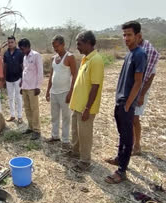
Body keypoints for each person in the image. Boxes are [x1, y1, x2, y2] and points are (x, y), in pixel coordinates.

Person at [105, 21, 147, 184]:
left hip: (126, 103)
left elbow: (138, 81)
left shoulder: (139, 54)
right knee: (122, 133)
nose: (126, 38)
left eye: (129, 35)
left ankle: (122, 170)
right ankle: (120, 158)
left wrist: (129, 104)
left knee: (127, 135)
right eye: (124, 35)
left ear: (138, 36)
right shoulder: (130, 54)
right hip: (120, 100)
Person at [67, 31, 104, 171]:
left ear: (88, 43)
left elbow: (95, 86)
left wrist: (87, 108)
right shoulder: (86, 59)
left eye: (79, 44)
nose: (77, 47)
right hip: (77, 105)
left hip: (85, 107)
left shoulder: (96, 60)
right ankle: (76, 152)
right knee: (76, 132)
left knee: (85, 134)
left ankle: (85, 161)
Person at [45, 35, 77, 145]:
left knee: (66, 117)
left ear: (63, 44)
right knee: (54, 116)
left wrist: (71, 92)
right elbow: (51, 75)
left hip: (65, 92)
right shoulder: (53, 58)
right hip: (54, 92)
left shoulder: (69, 57)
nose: (55, 48)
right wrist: (48, 90)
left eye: (57, 46)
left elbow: (74, 75)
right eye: (54, 46)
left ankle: (66, 139)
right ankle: (55, 136)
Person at [132, 34, 159, 155]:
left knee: (135, 118)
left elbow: (151, 75)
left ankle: (137, 145)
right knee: (129, 117)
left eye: (130, 35)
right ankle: (130, 141)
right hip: (131, 88)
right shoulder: (135, 49)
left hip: (141, 90)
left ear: (138, 36)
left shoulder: (150, 52)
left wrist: (141, 95)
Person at [18, 38, 44, 140]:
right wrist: (22, 84)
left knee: (34, 109)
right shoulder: (24, 57)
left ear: (28, 46)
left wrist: (38, 86)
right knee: (27, 108)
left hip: (33, 87)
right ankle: (30, 127)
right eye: (20, 49)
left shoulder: (36, 55)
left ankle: (37, 130)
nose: (21, 51)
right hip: (25, 87)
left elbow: (40, 72)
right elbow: (25, 71)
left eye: (23, 48)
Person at [3, 36, 24, 123]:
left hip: (18, 78)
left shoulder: (19, 53)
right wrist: (4, 79)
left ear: (15, 42)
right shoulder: (6, 53)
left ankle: (20, 116)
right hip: (8, 79)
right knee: (10, 98)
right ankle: (12, 115)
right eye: (9, 42)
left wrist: (23, 79)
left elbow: (22, 66)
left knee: (18, 97)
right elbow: (4, 66)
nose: (10, 44)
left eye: (12, 42)